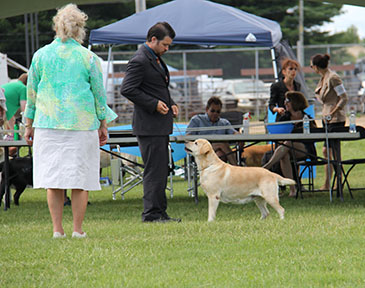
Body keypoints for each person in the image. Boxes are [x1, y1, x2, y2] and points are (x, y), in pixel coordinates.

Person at [23, 4, 117, 238]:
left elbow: (31, 93)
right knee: (80, 179)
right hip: (82, 124)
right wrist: (103, 123)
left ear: (56, 27)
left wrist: (28, 124)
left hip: (48, 124)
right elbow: (98, 94)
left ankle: (57, 230)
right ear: (80, 29)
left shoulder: (41, 55)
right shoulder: (88, 57)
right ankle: (77, 229)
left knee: (53, 179)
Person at [120, 22, 181, 223]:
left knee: (161, 169)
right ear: (153, 39)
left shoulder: (154, 58)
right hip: (149, 126)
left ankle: (160, 212)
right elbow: (128, 89)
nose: (167, 49)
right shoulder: (139, 60)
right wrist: (153, 104)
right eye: (165, 44)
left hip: (159, 125)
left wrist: (169, 103)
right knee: (154, 170)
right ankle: (151, 214)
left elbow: (157, 88)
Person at [263, 91, 316, 197]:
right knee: (285, 154)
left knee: (288, 143)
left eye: (287, 101)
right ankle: (292, 189)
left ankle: (267, 166)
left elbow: (314, 136)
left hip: (305, 149)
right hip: (286, 149)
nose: (285, 103)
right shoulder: (284, 118)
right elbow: (278, 135)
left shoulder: (307, 118)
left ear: (295, 102)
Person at [310, 53, 347, 190]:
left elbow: (343, 98)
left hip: (335, 119)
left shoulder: (333, 78)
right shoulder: (323, 78)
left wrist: (333, 112)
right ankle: (327, 183)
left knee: (334, 151)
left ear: (315, 67)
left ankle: (339, 182)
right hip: (326, 118)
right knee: (326, 151)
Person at [187, 96, 239, 165]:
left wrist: (239, 136)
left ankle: (225, 173)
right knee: (222, 144)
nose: (215, 114)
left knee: (220, 154)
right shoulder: (196, 120)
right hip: (201, 151)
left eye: (218, 112)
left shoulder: (224, 123)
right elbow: (188, 137)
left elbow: (234, 133)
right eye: (212, 111)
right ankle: (236, 168)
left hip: (217, 152)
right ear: (207, 109)